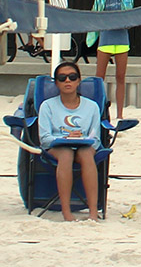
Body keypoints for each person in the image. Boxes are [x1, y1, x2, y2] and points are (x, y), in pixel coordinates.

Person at [38, 60, 102, 221]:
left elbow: (95, 138)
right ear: (56, 83)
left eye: (72, 77)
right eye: (62, 78)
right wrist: (64, 138)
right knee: (66, 154)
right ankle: (66, 212)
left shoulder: (92, 106)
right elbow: (44, 139)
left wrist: (81, 140)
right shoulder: (47, 106)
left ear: (79, 81)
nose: (68, 81)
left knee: (87, 154)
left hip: (84, 146)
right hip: (56, 146)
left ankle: (93, 212)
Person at [86, 0, 134, 120]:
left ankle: (119, 114)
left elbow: (131, 18)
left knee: (120, 77)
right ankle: (98, 112)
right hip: (105, 39)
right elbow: (94, 17)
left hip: (121, 40)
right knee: (99, 77)